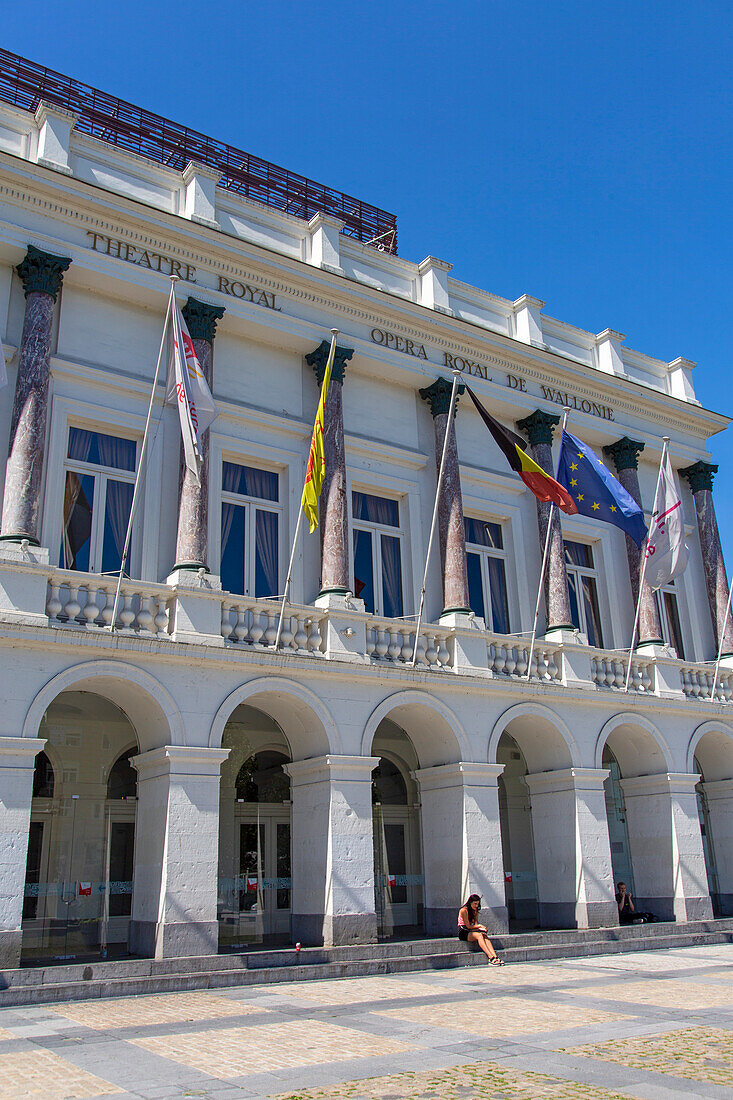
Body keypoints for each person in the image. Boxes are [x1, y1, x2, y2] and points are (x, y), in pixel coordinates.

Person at [458, 894, 504, 964]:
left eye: (478, 904)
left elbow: (475, 924)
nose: (476, 906)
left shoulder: (475, 910)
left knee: (484, 935)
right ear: (470, 902)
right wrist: (480, 926)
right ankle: (490, 957)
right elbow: (468, 926)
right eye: (475, 904)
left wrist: (481, 928)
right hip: (463, 931)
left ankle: (495, 956)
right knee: (479, 936)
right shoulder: (463, 910)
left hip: (471, 930)